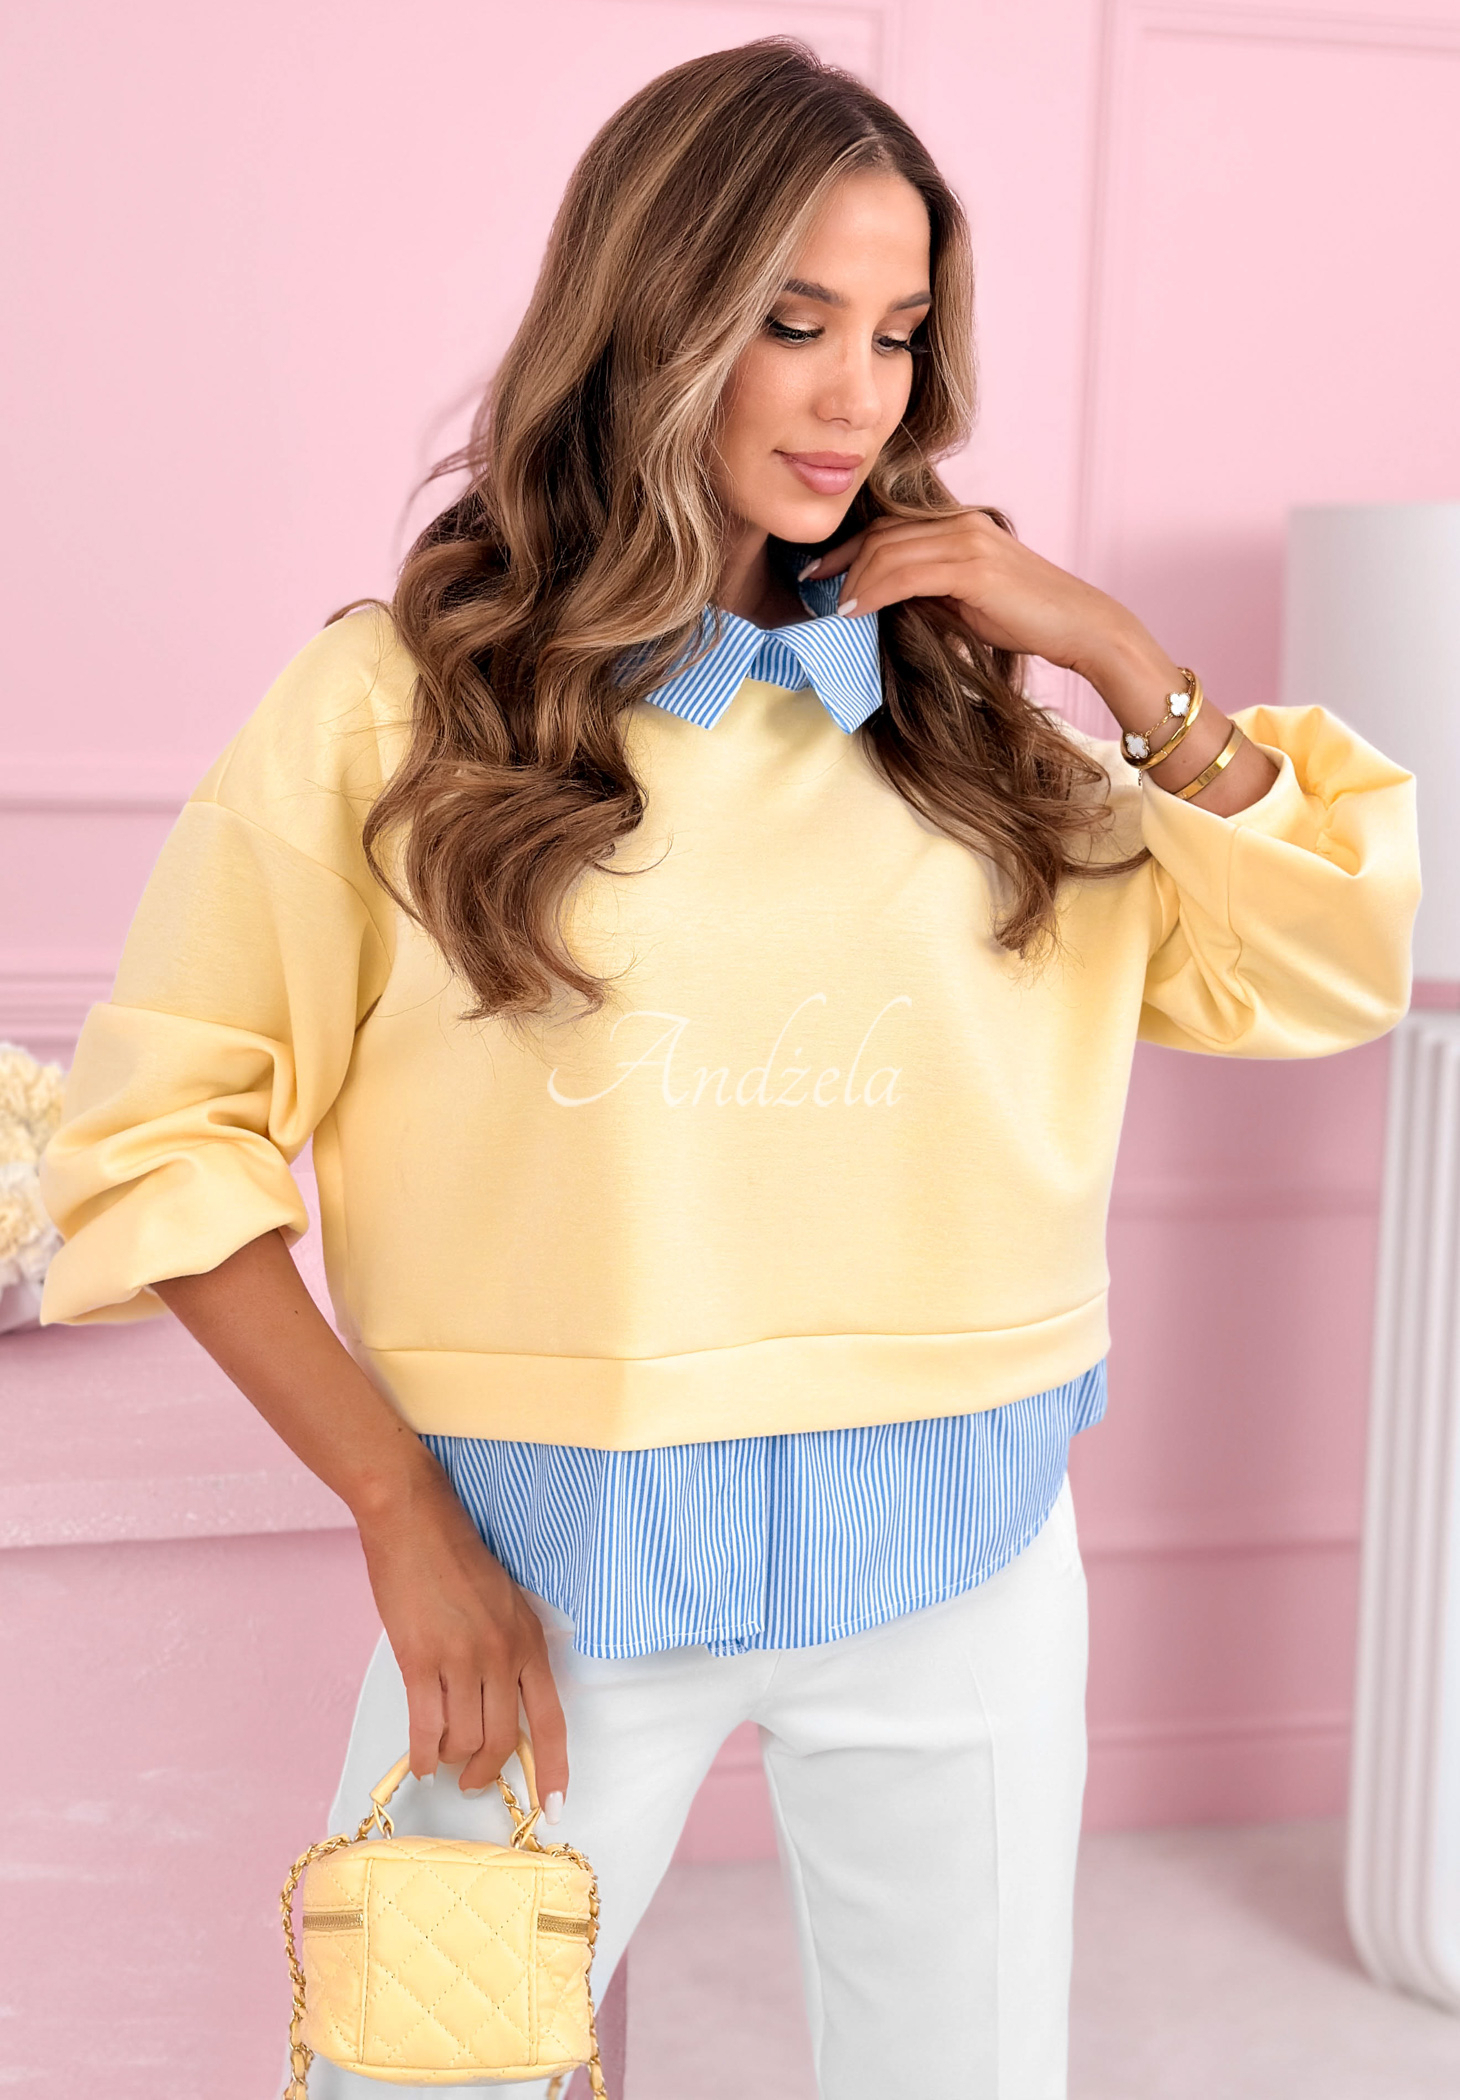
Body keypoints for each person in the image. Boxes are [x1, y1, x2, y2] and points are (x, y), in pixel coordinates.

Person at [40, 37, 1419, 2100]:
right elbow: (159, 1133)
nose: (857, 394)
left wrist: (1120, 658)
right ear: (652, 315)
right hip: (544, 1570)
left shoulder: (975, 718)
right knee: (417, 2082)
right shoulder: (393, 708)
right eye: (793, 322)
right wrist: (398, 1510)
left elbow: (1319, 969)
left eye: (898, 332)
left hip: (960, 1547)